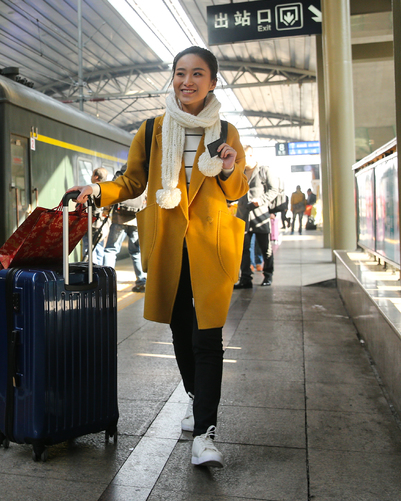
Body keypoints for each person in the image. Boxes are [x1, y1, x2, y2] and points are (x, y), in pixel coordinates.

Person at [72, 46, 248, 469]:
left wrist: (227, 167)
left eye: (197, 74)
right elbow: (132, 181)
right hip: (169, 245)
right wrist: (100, 191)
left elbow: (236, 189)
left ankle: (205, 433)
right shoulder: (152, 130)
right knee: (181, 329)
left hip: (211, 247)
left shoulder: (225, 130)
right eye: (180, 73)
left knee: (209, 338)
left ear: (212, 82)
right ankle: (194, 395)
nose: (187, 81)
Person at [234, 146, 281, 288]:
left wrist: (260, 200)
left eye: (244, 156)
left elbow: (274, 190)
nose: (241, 160)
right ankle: (245, 278)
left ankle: (268, 276)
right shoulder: (238, 172)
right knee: (244, 249)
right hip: (243, 215)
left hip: (260, 216)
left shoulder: (264, 171)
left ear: (251, 155)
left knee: (265, 248)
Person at [100, 164, 147, 291]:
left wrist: (106, 212)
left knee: (110, 250)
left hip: (119, 219)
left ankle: (107, 282)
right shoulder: (141, 177)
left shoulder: (120, 176)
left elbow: (112, 195)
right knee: (136, 252)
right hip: (136, 220)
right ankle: (142, 281)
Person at [84, 167, 110, 263]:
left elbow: (84, 208)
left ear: (96, 177)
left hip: (92, 225)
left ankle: (92, 274)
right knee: (99, 250)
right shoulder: (107, 190)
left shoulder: (91, 190)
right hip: (103, 226)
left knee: (89, 250)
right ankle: (99, 273)